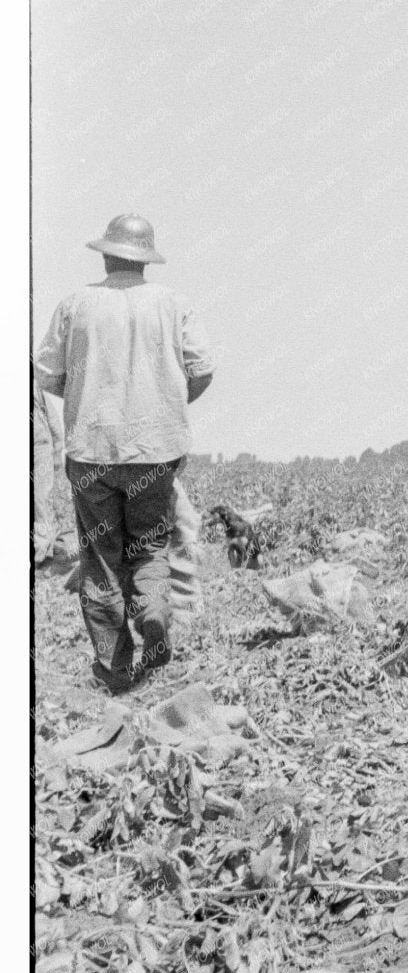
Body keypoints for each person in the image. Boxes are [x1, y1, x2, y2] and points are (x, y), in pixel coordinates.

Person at [35, 214, 214, 692]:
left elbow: (48, 375)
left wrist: (88, 394)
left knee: (102, 558)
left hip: (92, 453)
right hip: (154, 453)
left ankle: (115, 670)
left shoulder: (75, 304)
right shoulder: (174, 304)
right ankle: (153, 615)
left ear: (108, 254)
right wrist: (168, 405)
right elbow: (202, 369)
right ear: (145, 260)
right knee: (150, 546)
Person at [31, 363, 78, 573]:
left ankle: (43, 555)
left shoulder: (33, 387)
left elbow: (53, 421)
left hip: (40, 448)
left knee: (40, 501)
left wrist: (58, 451)